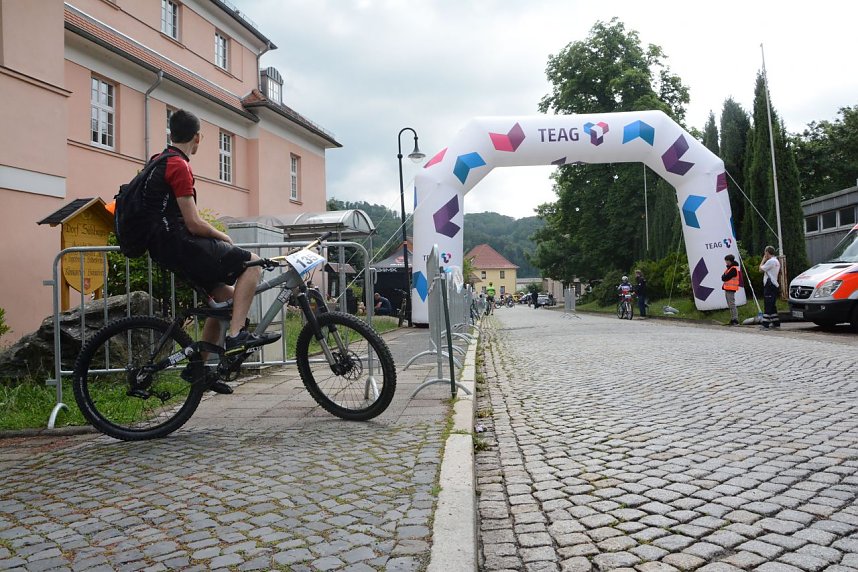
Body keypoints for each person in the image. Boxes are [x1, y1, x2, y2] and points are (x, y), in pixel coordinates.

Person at [145, 109, 279, 394]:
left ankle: (200, 370)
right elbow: (193, 223)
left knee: (227, 303)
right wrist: (223, 237)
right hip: (180, 244)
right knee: (252, 263)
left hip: (164, 247)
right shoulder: (179, 165)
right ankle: (236, 337)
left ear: (171, 134)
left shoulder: (158, 160)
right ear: (198, 138)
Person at [759, 245, 781, 330]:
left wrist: (763, 260)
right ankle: (776, 322)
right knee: (772, 305)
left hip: (769, 285)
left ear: (767, 253)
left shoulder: (770, 261)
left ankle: (765, 324)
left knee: (768, 304)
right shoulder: (776, 261)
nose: (765, 254)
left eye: (765, 252)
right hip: (774, 284)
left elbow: (760, 269)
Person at [721, 254, 741, 325]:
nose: (726, 262)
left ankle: (735, 319)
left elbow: (725, 277)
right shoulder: (729, 268)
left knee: (732, 304)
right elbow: (723, 277)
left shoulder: (733, 269)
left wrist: (724, 277)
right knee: (730, 304)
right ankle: (732, 319)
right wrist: (724, 276)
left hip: (731, 289)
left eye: (726, 260)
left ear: (730, 261)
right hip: (728, 288)